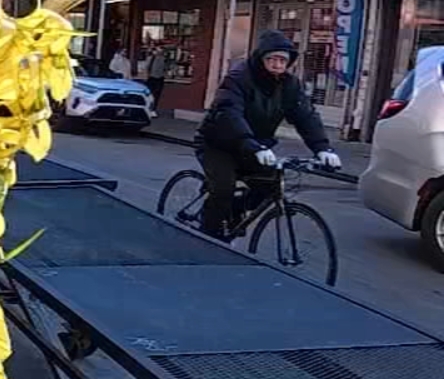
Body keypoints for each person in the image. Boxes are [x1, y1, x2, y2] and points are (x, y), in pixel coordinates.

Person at [193, 30, 341, 238]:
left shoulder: (290, 85)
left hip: (256, 145)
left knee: (269, 186)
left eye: (282, 60)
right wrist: (249, 142)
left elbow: (305, 116)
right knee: (223, 189)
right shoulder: (239, 78)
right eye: (272, 59)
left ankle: (237, 208)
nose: (277, 64)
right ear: (261, 58)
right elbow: (229, 112)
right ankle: (207, 235)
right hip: (219, 144)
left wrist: (322, 148)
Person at [144, 44, 167, 109]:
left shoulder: (164, 59)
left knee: (157, 95)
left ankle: (153, 108)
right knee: (150, 94)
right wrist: (146, 77)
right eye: (158, 49)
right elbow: (146, 68)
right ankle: (149, 107)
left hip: (160, 78)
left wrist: (165, 74)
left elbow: (165, 68)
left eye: (161, 50)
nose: (160, 51)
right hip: (152, 78)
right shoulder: (151, 58)